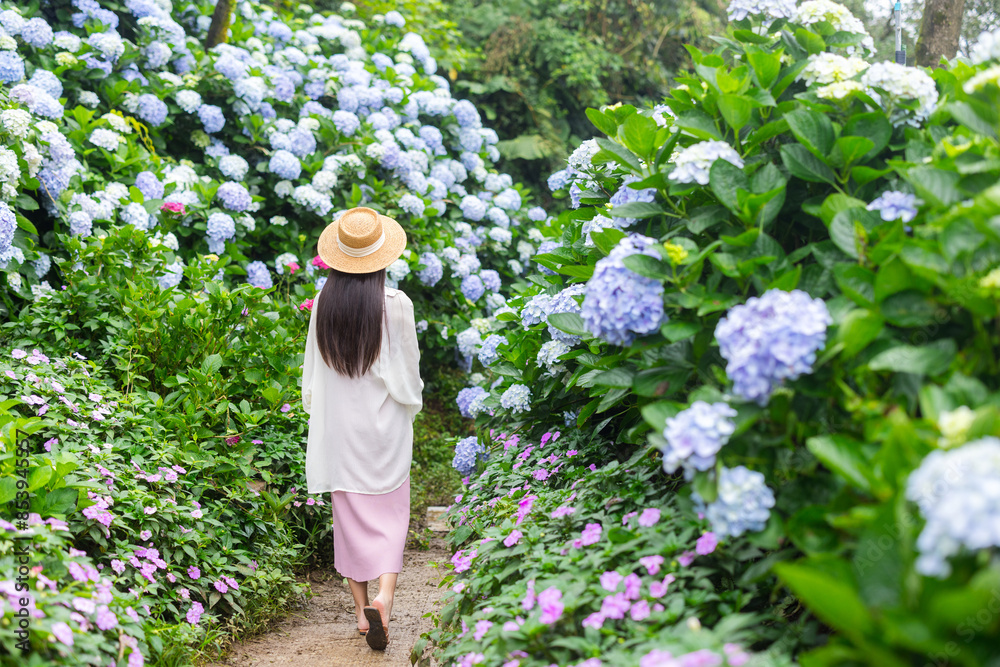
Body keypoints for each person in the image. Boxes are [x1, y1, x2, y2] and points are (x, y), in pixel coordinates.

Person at [301, 206, 424, 651]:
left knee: (349, 522)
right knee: (391, 516)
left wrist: (317, 409)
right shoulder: (397, 305)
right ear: (383, 258)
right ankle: (385, 598)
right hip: (383, 429)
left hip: (339, 430)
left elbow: (312, 375)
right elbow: (406, 377)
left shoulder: (323, 306)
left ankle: (359, 613)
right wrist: (413, 404)